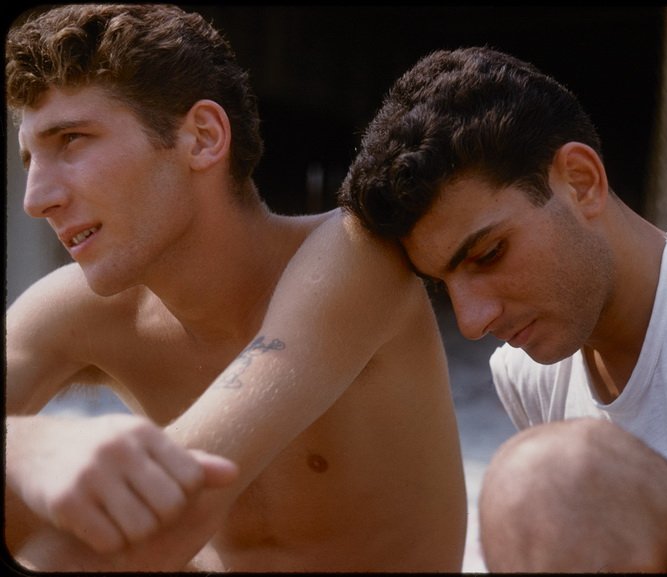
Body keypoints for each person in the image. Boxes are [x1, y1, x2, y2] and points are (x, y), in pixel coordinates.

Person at [338, 46, 667, 573]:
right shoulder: (529, 374)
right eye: (445, 286)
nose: (471, 321)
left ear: (581, 181)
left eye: (489, 254)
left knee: (545, 478)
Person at [4, 4, 467, 572]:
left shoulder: (353, 255)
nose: (36, 198)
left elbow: (180, 494)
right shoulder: (71, 311)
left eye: (71, 140)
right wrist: (29, 449)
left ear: (201, 137)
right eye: (30, 158)